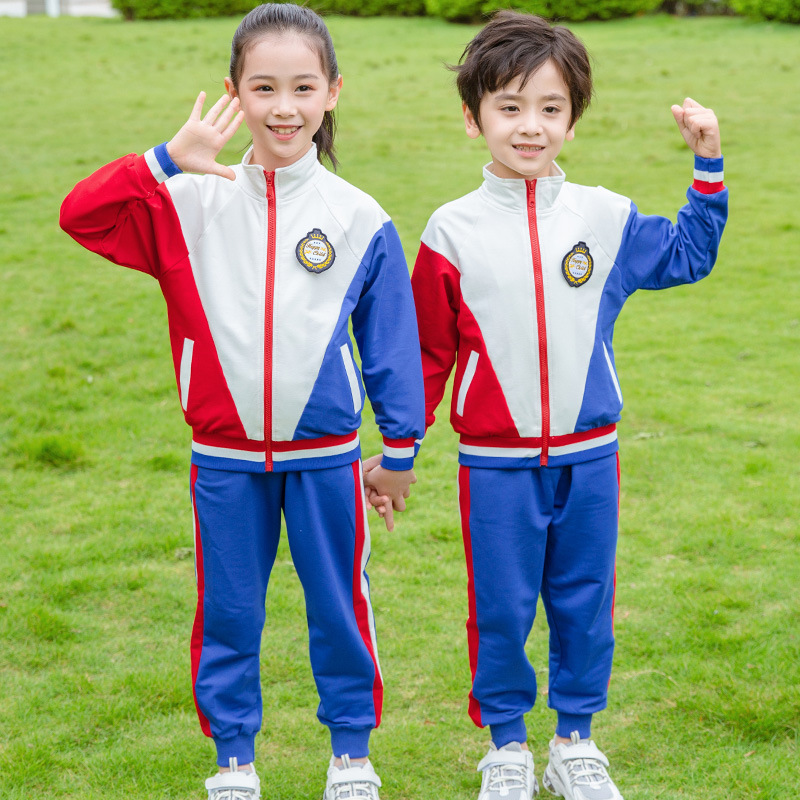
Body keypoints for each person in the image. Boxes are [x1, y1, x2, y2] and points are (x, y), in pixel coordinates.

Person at [60, 5, 424, 799]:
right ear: (235, 94)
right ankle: (234, 760)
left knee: (339, 607)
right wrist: (161, 160)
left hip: (327, 461)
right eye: (263, 88)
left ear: (332, 92)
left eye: (302, 87)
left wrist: (399, 453)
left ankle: (351, 757)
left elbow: (393, 349)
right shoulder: (186, 203)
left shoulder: (360, 218)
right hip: (224, 460)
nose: (283, 107)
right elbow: (78, 215)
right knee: (227, 610)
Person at [405, 11, 726, 800]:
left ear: (573, 120)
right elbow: (426, 355)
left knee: (587, 601)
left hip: (590, 456)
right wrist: (400, 451)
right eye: (509, 106)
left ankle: (575, 742)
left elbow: (687, 254)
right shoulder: (451, 231)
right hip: (496, 465)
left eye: (550, 108)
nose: (530, 125)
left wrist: (708, 163)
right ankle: (508, 748)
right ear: (473, 115)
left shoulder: (604, 216)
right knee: (502, 607)